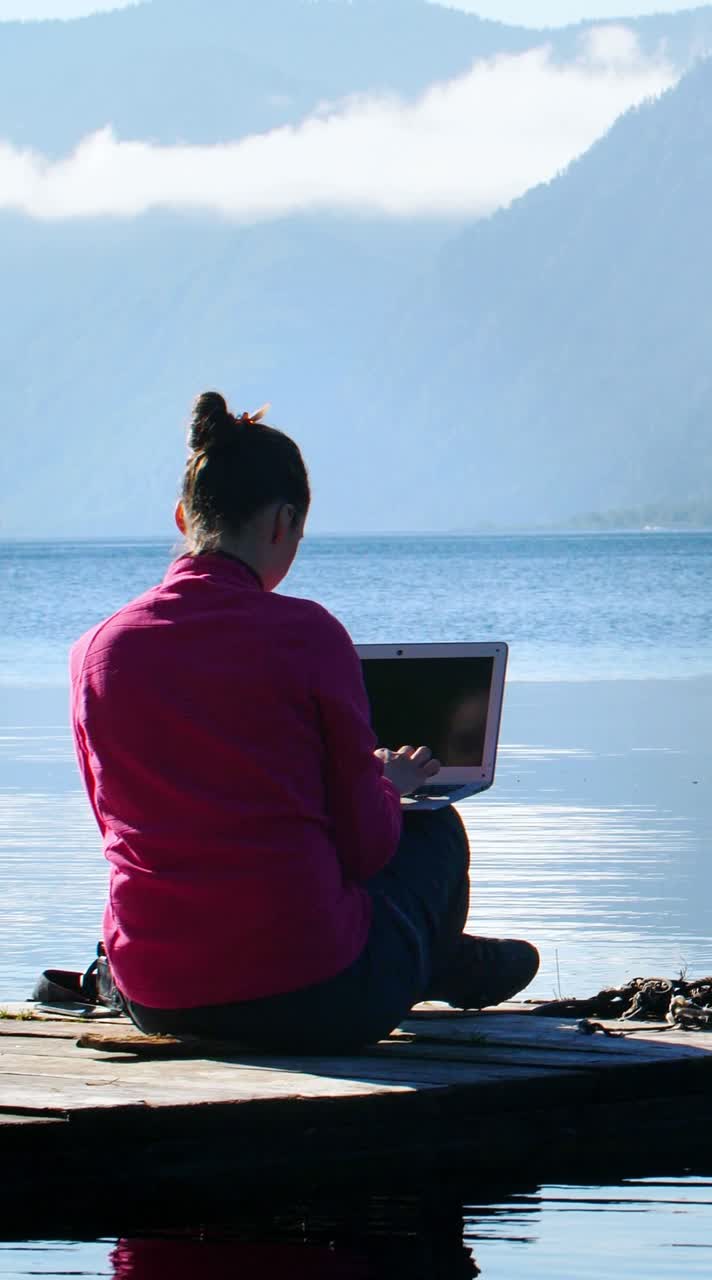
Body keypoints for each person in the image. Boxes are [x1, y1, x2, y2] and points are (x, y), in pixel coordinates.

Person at [70, 393, 538, 1050]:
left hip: (155, 994)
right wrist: (390, 790)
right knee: (434, 833)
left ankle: (426, 959)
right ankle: (430, 959)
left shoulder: (95, 652)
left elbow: (117, 823)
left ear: (183, 517)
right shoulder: (308, 636)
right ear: (284, 522)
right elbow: (365, 846)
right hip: (317, 995)